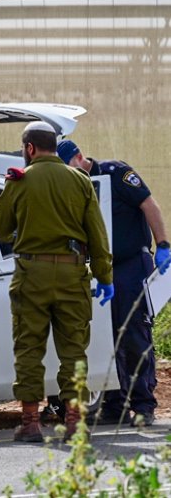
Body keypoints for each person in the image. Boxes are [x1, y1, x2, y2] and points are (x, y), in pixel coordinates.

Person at [0, 121, 114, 443]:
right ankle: (74, 420)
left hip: (31, 275)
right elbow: (97, 235)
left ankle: (31, 423)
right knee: (74, 349)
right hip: (73, 274)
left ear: (29, 148)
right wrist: (105, 276)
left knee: (29, 348)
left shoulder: (19, 181)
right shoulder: (80, 180)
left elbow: (1, 230)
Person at [54, 139, 170, 427]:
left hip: (131, 265)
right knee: (105, 338)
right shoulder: (71, 187)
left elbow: (149, 205)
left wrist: (163, 244)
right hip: (99, 270)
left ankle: (143, 405)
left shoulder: (116, 173)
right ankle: (114, 405)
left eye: (69, 166)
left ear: (80, 157)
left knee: (133, 334)